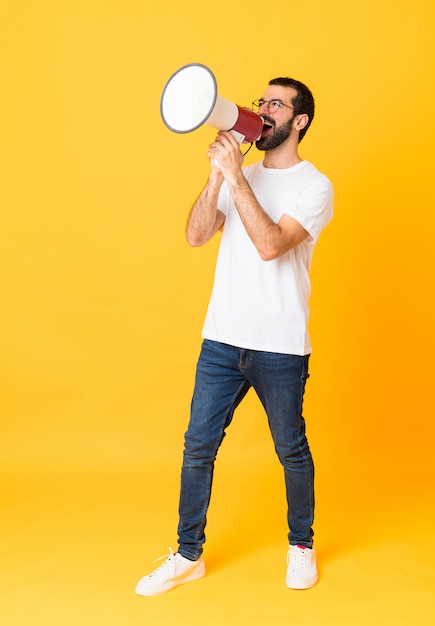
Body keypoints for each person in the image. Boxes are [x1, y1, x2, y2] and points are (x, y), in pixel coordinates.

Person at [136, 76, 334, 596]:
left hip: (281, 346)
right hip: (222, 339)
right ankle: (187, 554)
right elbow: (196, 235)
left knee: (290, 448)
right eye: (261, 100)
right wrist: (214, 179)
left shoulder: (315, 185)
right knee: (197, 447)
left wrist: (237, 179)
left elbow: (271, 245)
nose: (263, 109)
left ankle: (300, 545)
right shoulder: (235, 172)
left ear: (300, 120)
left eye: (276, 104)